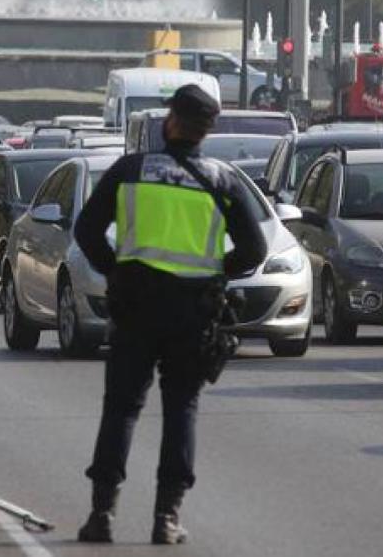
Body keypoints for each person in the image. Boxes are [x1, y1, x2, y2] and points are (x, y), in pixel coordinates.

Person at [72, 84, 267, 545]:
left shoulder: (131, 169)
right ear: (206, 131)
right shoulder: (223, 179)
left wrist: (115, 269)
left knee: (121, 408)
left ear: (171, 122)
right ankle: (166, 518)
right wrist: (214, 272)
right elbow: (255, 249)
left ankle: (102, 515)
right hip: (194, 311)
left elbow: (86, 229)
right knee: (181, 408)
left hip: (136, 305)